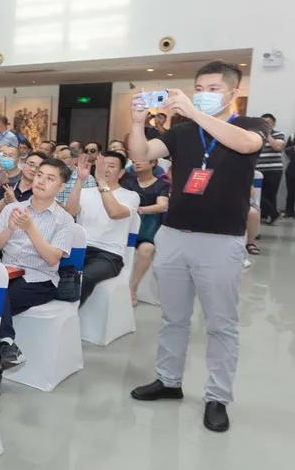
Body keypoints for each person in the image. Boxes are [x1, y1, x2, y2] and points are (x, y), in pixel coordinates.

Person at [127, 61, 269, 433]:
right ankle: (169, 380)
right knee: (173, 317)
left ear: (232, 92)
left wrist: (192, 111)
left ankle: (217, 396)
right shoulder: (183, 132)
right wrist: (138, 122)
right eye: (199, 87)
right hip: (174, 234)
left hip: (221, 240)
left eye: (212, 88)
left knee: (221, 324)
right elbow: (142, 154)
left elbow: (244, 145)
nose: (204, 94)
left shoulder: (251, 125)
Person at [0, 158, 74, 396]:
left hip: (40, 279)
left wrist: (30, 228)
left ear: (61, 186)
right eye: (39, 175)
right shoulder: (10, 209)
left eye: (50, 178)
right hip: (7, 271)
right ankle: (6, 345)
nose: (41, 181)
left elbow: (52, 259)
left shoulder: (64, 220)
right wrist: (9, 229)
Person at [65, 151, 139, 304]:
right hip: (80, 249)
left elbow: (114, 212)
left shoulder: (131, 196)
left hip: (109, 255)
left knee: (84, 278)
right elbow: (70, 212)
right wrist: (80, 180)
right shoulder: (85, 193)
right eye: (102, 165)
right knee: (55, 273)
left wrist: (101, 182)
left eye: (111, 166)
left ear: (121, 173)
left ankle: (71, 314)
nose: (105, 170)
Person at [123, 157, 170, 305]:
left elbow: (162, 205)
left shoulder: (162, 184)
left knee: (147, 248)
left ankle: (133, 288)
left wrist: (139, 210)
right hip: (127, 223)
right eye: (135, 161)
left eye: (141, 160)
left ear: (153, 163)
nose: (136, 162)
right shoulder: (128, 182)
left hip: (148, 224)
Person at [0, 151, 42, 221]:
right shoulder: (6, 187)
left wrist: (13, 201)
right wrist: (4, 200)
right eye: (31, 165)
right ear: (23, 165)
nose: (33, 169)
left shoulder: (40, 195)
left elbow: (34, 222)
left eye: (38, 167)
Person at [255, 113, 286, 224]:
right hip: (258, 169)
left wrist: (267, 134)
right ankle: (272, 214)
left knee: (270, 194)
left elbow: (277, 147)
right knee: (258, 194)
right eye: (263, 122)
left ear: (273, 124)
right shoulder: (256, 134)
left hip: (273, 169)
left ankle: (270, 215)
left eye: (268, 123)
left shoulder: (279, 134)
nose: (265, 124)